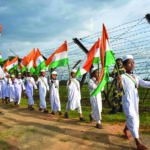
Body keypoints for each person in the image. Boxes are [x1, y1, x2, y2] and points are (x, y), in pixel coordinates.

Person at [120, 55, 150, 150]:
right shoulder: (122, 77)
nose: (132, 64)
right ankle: (138, 143)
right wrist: (119, 82)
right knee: (132, 118)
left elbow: (145, 83)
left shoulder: (135, 77)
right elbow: (119, 89)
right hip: (127, 102)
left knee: (134, 118)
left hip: (135, 102)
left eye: (133, 62)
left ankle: (125, 129)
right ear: (124, 66)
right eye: (129, 63)